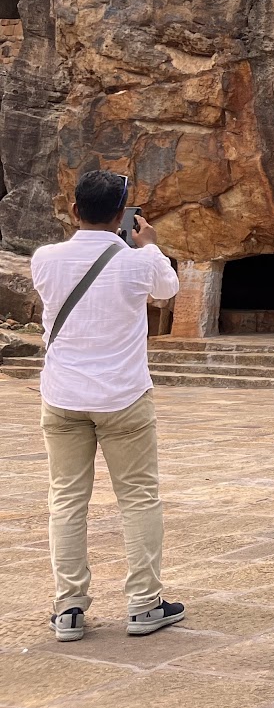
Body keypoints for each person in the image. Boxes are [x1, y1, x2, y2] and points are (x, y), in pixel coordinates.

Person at [31, 170, 183, 642]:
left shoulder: (45, 258)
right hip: (124, 396)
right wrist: (150, 245)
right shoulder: (138, 260)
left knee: (67, 500)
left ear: (75, 210)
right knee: (138, 497)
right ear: (123, 215)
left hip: (62, 396)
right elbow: (168, 291)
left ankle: (69, 609)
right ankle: (143, 605)